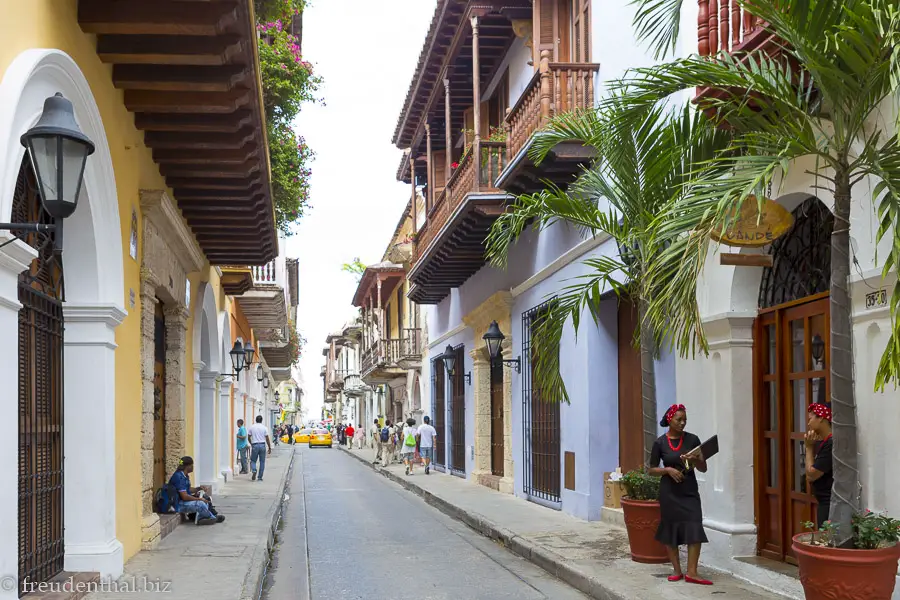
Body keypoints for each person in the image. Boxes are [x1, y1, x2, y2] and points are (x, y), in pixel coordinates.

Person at [649, 403, 711, 586]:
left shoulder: (693, 440)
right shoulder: (659, 443)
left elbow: (704, 468)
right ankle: (677, 570)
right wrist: (667, 470)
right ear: (670, 420)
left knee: (694, 524)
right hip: (669, 492)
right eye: (679, 419)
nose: (683, 423)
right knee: (671, 528)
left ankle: (692, 572)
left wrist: (695, 459)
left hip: (689, 490)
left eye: (685, 420)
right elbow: (651, 470)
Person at [169, 456, 224, 525]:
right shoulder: (179, 477)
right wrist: (199, 499)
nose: (193, 467)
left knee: (205, 498)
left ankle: (207, 516)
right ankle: (209, 517)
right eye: (192, 465)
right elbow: (184, 497)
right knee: (200, 504)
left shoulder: (184, 475)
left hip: (183, 501)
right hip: (179, 504)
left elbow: (187, 489)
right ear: (188, 466)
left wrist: (198, 489)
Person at [805, 403, 833, 528]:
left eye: (810, 418)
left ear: (821, 417)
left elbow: (811, 475)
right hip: (824, 501)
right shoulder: (825, 442)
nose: (808, 424)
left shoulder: (831, 444)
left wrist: (809, 447)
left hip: (829, 503)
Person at [248, 415, 272, 482]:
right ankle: (259, 477)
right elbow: (267, 438)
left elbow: (248, 437)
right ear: (262, 420)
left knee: (253, 460)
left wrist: (251, 443)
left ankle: (254, 469)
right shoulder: (264, 428)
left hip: (255, 445)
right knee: (262, 462)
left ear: (256, 420)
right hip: (262, 445)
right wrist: (269, 447)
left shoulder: (252, 427)